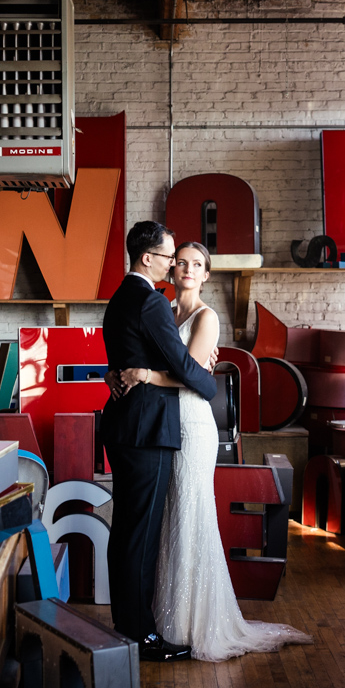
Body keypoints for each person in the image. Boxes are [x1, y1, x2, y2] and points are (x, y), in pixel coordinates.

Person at [113, 242, 313, 662]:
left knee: (190, 515)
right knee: (165, 522)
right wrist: (126, 373)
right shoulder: (161, 311)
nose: (186, 268)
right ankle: (164, 619)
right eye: (180, 261)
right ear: (170, 268)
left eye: (196, 264)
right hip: (161, 423)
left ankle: (193, 622)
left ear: (207, 274)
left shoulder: (207, 316)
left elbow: (189, 377)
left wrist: (146, 374)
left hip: (191, 423)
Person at [100, 221, 218, 662]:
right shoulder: (151, 301)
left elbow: (131, 359)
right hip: (147, 429)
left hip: (130, 424)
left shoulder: (121, 297)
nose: (174, 264)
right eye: (170, 256)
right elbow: (185, 369)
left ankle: (126, 625)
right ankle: (140, 635)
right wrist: (210, 384)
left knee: (130, 532)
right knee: (141, 535)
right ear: (147, 258)